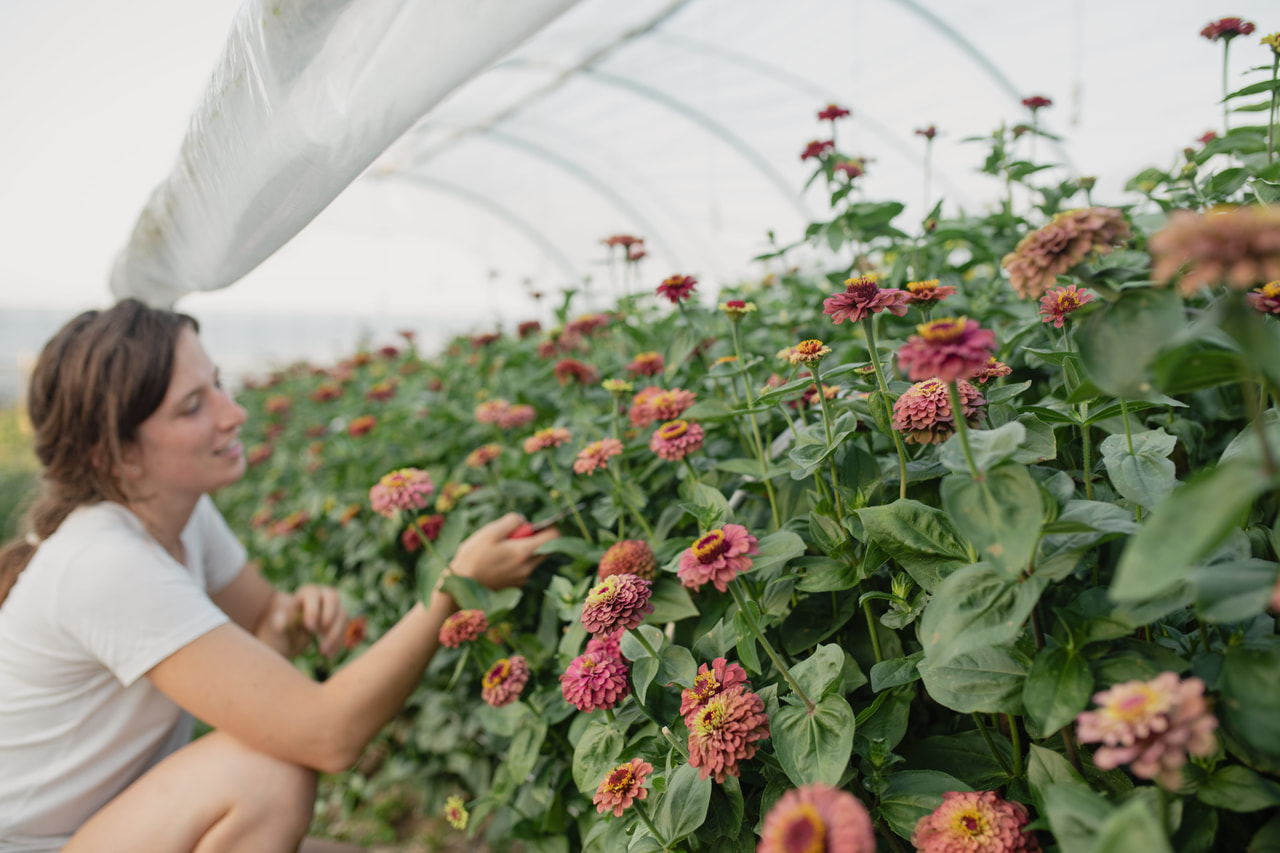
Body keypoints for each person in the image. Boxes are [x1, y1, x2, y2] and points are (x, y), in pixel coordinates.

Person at [0, 299, 558, 853]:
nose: (234, 412)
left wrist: (296, 611)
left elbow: (269, 618)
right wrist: (454, 587)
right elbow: (327, 736)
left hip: (117, 829)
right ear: (117, 456)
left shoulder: (179, 514)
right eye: (194, 406)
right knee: (266, 774)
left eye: (218, 384)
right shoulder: (104, 563)